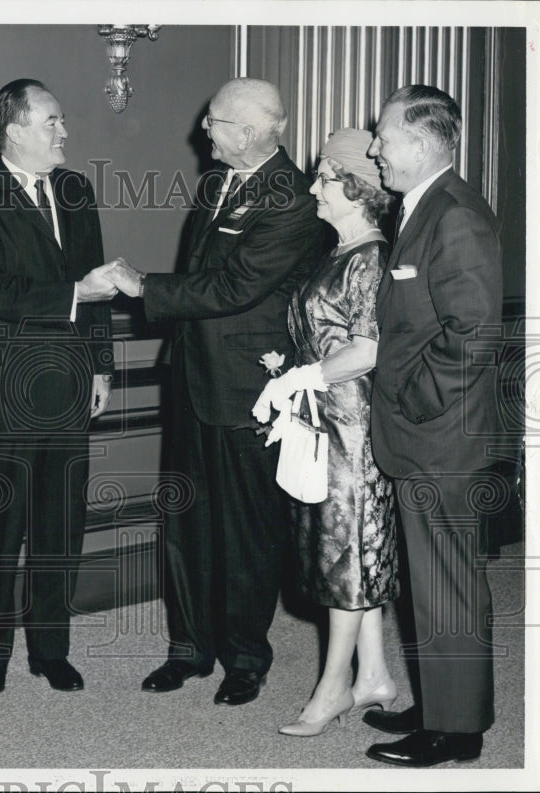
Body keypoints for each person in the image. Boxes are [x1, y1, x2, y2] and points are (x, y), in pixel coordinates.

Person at [103, 78, 325, 705]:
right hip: (191, 376)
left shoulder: (294, 200)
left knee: (246, 531)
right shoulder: (215, 184)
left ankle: (245, 658)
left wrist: (141, 285)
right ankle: (189, 650)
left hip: (247, 388)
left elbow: (234, 289)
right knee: (186, 522)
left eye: (215, 122)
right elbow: (205, 279)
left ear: (249, 132)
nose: (205, 130)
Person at [0, 78, 118, 695]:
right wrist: (78, 294)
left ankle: (51, 651)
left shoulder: (75, 190)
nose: (64, 131)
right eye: (52, 121)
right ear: (13, 131)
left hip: (69, 386)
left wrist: (101, 365)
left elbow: (93, 281)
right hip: (2, 395)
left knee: (60, 527)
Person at [363, 85, 501, 767]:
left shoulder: (454, 215)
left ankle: (455, 732)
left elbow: (472, 333)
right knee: (431, 581)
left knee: (447, 582)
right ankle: (441, 702)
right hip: (426, 433)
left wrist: (411, 399)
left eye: (383, 137)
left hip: (440, 434)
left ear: (420, 144)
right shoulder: (423, 207)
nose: (374, 148)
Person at [251, 128, 398, 737]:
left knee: (346, 558)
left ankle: (333, 687)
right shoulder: (338, 252)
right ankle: (375, 676)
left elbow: (365, 351)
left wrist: (301, 375)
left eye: (324, 179)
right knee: (347, 557)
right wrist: (290, 372)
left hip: (355, 432)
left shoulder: (369, 257)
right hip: (328, 425)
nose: (314, 188)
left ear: (355, 188)